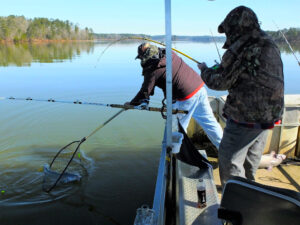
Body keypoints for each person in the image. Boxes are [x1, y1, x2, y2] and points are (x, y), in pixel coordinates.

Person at [198, 6, 284, 187]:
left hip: (246, 115)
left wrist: (205, 71)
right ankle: (251, 192)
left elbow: (219, 83)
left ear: (234, 28)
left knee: (229, 159)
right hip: (270, 115)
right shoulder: (268, 41)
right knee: (252, 158)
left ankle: (235, 205)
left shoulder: (241, 47)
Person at [125, 42, 223, 149]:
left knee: (176, 130)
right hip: (199, 88)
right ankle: (224, 149)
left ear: (143, 57)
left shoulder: (152, 70)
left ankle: (174, 154)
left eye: (140, 58)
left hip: (185, 98)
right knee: (209, 123)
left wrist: (131, 104)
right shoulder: (169, 53)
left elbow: (145, 92)